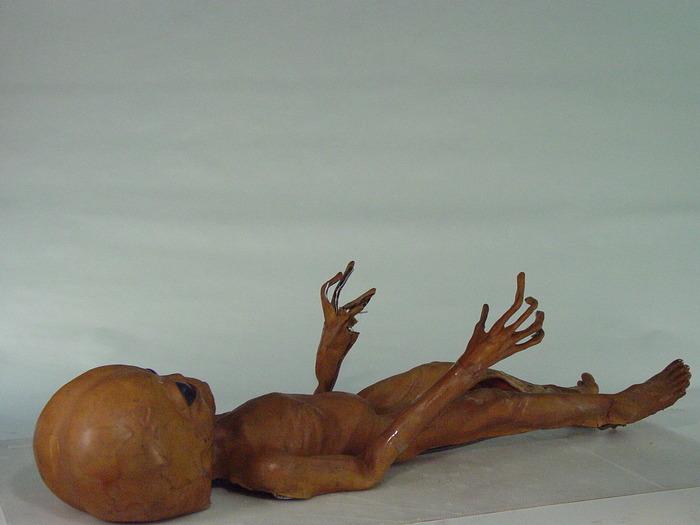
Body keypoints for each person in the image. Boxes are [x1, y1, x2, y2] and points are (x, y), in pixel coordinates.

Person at [34, 262, 690, 522]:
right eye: (178, 394)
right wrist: (467, 370)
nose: (182, 377)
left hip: (367, 402)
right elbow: (368, 465)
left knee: (477, 380)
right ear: (175, 458)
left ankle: (572, 396)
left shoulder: (229, 428)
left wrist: (328, 356)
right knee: (497, 405)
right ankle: (614, 409)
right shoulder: (266, 471)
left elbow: (311, 415)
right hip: (391, 429)